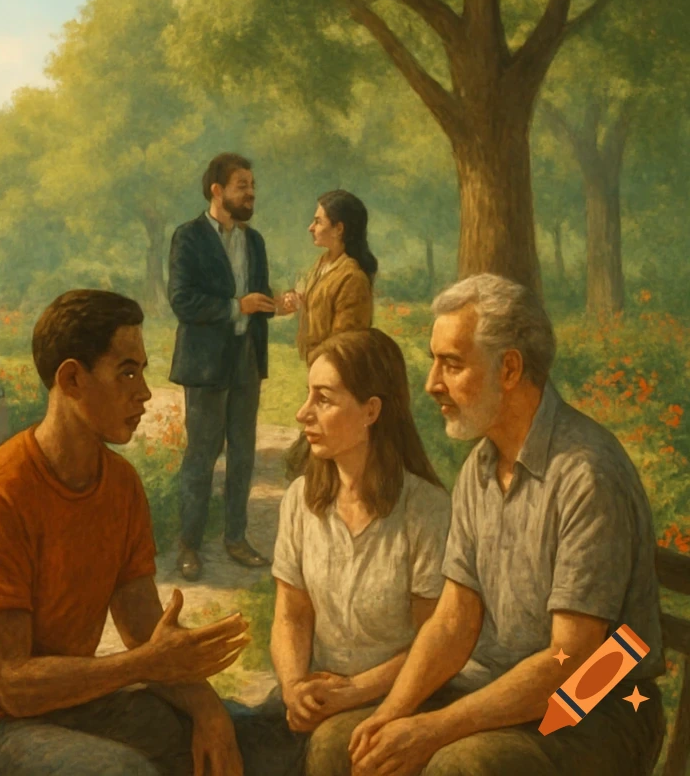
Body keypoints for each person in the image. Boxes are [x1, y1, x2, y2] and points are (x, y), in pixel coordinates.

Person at [311, 274, 666, 776]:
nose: (432, 383)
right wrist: (390, 714)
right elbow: (454, 621)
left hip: (600, 702)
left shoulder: (587, 473)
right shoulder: (480, 467)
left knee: (459, 766)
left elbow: (572, 659)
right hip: (497, 690)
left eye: (451, 364)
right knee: (338, 743)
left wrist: (434, 728)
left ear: (510, 369)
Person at [0, 288, 257, 776]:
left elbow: (144, 630)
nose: (144, 391)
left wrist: (208, 712)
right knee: (121, 773)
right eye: (127, 371)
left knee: (250, 734)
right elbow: (12, 683)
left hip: (72, 705)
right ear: (72, 379)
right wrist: (145, 665)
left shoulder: (121, 486)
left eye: (142, 371)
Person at [251, 328, 449, 774]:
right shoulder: (301, 500)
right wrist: (293, 687)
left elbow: (434, 644)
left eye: (323, 398)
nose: (304, 413)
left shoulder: (426, 510)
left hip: (394, 694)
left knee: (330, 749)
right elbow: (291, 615)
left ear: (371, 411)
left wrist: (355, 691)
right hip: (317, 688)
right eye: (308, 395)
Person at [168, 152, 275, 582]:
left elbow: (259, 298)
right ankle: (189, 545)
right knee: (200, 457)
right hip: (206, 366)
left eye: (252, 185)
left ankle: (236, 538)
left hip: (246, 361)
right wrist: (236, 306)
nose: (250, 193)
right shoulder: (188, 237)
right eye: (242, 186)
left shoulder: (255, 241)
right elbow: (181, 301)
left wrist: (274, 304)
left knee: (243, 456)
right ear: (217, 190)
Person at [278, 190, 377, 481]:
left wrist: (327, 375)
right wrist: (300, 303)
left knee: (314, 461)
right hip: (319, 375)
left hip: (337, 381)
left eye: (318, 221)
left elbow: (348, 341)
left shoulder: (352, 278)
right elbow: (318, 303)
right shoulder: (322, 265)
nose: (311, 227)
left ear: (339, 228)